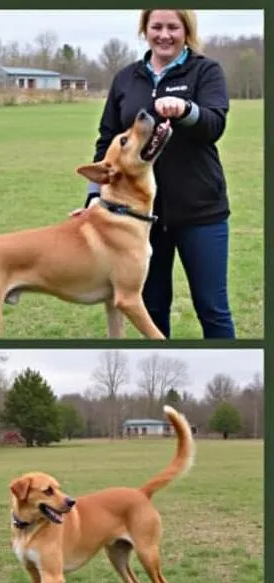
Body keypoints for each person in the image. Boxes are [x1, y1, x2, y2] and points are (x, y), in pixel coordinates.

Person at [77, 9, 235, 338]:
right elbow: (107, 141)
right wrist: (94, 197)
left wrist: (186, 110)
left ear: (186, 30)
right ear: (145, 30)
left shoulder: (206, 71)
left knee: (212, 309)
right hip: (140, 220)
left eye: (173, 27)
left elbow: (214, 124)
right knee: (152, 306)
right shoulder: (126, 78)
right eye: (157, 27)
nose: (164, 35)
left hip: (201, 212)